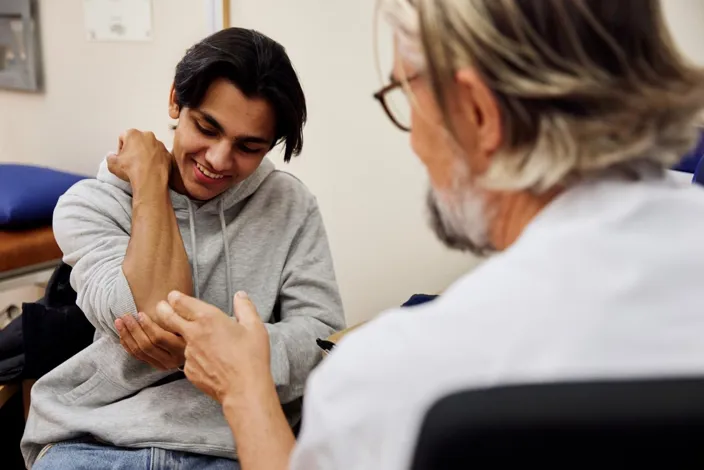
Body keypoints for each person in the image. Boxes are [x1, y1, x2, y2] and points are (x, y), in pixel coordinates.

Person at [146, 1, 704, 469]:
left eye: (407, 96)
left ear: (478, 113)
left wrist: (244, 390)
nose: (414, 140)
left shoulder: (390, 376)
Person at [21, 28, 345, 469]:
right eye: (206, 128)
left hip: (234, 445)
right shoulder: (89, 204)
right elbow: (152, 311)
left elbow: (323, 337)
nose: (218, 159)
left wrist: (224, 351)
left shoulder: (291, 206)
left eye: (248, 147)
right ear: (176, 101)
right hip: (95, 439)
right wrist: (149, 182)